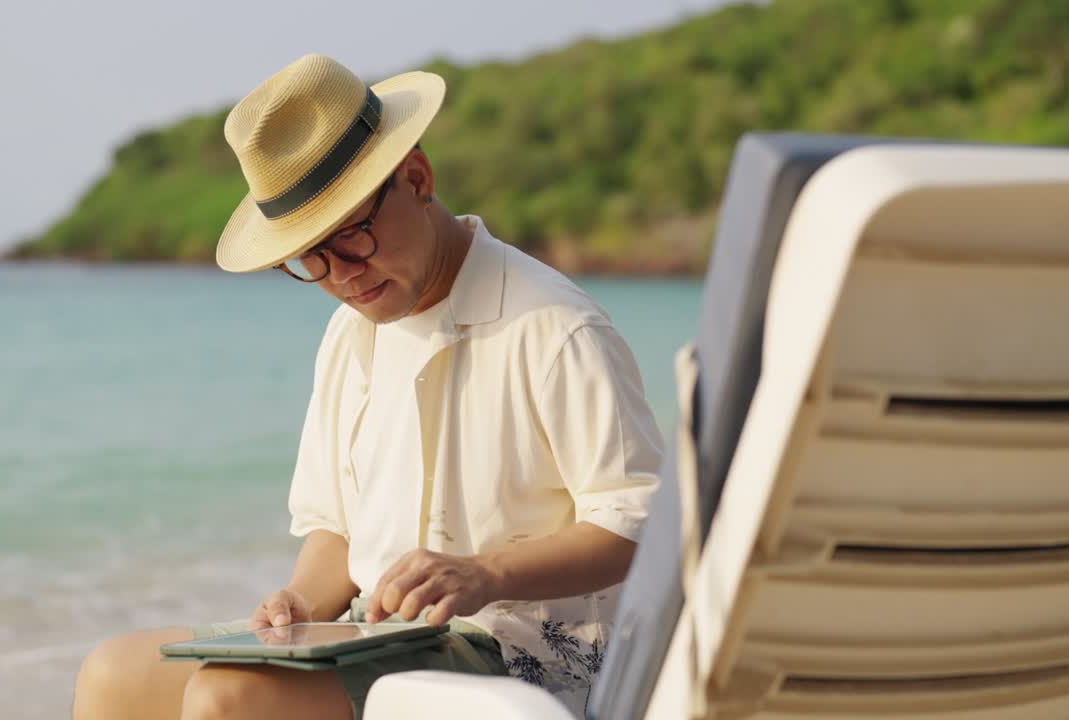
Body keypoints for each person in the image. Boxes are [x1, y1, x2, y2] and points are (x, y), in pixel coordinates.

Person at [72, 53, 662, 720]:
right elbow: (337, 533)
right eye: (309, 256)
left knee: (226, 699)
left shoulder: (555, 326)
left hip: (527, 651)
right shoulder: (350, 334)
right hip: (373, 632)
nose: (341, 275)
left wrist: (483, 573)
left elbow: (639, 525)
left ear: (416, 177)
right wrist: (298, 604)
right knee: (111, 675)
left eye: (351, 236)